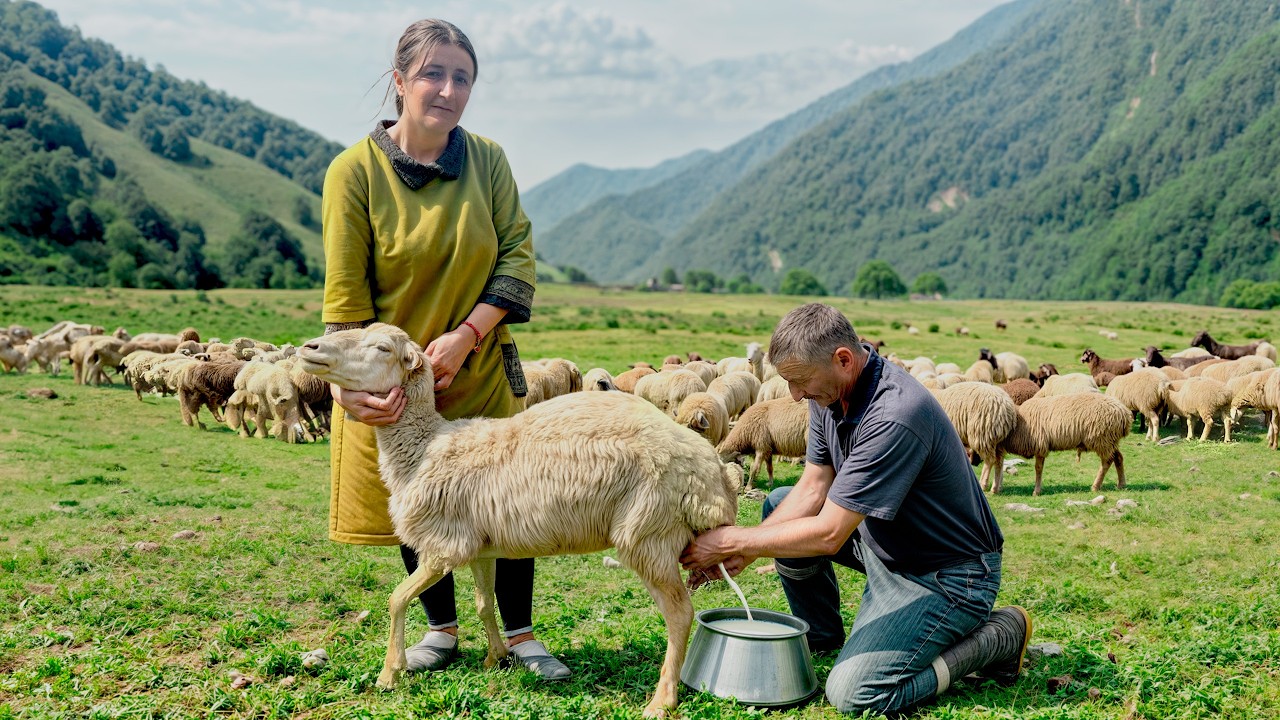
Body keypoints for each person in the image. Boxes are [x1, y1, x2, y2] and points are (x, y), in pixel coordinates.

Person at [320, 18, 569, 680]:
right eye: (433, 74)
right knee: (418, 494)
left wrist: (467, 335)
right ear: (400, 81)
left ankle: (519, 634)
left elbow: (516, 257)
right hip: (395, 378)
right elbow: (346, 302)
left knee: (508, 496)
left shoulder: (487, 160)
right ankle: (441, 629)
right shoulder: (353, 173)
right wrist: (350, 387)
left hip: (479, 366)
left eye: (463, 77)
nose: (449, 90)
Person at [681, 303, 1030, 715]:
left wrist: (733, 541)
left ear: (843, 360)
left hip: (945, 574)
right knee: (778, 505)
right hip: (885, 543)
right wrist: (750, 548)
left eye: (801, 381)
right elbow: (814, 485)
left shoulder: (895, 415)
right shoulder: (828, 395)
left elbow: (830, 533)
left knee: (856, 694)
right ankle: (822, 636)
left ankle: (999, 637)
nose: (795, 395)